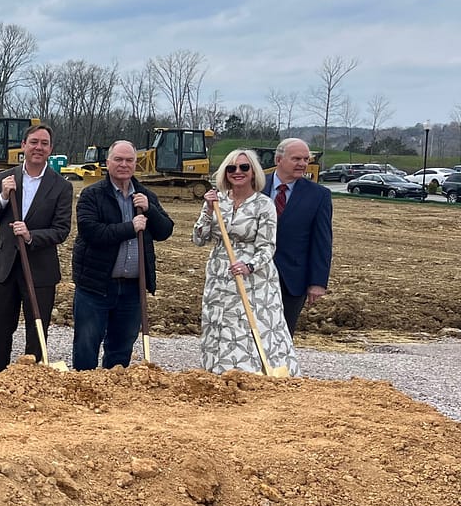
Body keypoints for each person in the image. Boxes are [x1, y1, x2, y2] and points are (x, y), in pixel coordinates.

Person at [192, 148, 299, 375]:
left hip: (254, 278)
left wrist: (248, 266)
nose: (237, 172)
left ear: (253, 172)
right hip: (220, 274)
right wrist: (208, 211)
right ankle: (218, 373)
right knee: (219, 322)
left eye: (244, 167)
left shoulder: (263, 204)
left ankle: (252, 374)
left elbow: (268, 246)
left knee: (247, 326)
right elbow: (199, 239)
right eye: (232, 168)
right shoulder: (217, 200)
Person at [70, 140, 174, 370]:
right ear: (108, 163)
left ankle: (113, 396)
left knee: (121, 348)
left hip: (132, 289)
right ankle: (83, 392)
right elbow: (90, 231)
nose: (124, 165)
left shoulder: (145, 196)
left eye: (129, 160)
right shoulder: (92, 195)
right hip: (95, 285)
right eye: (118, 159)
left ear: (136, 164)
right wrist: (131, 227)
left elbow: (165, 230)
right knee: (87, 344)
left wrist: (151, 210)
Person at [0, 123, 73, 371]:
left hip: (40, 271)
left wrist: (31, 236)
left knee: (37, 332)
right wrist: (2, 198)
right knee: (0, 330)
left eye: (44, 143)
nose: (38, 147)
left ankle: (32, 382)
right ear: (23, 146)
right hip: (5, 269)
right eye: (34, 142)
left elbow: (62, 229)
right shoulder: (4, 179)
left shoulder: (61, 186)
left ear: (50, 149)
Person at [264, 138, 332, 336]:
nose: (303, 164)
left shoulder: (319, 195)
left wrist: (318, 282)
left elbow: (322, 241)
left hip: (292, 280)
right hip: (254, 275)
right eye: (296, 159)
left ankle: (280, 368)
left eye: (305, 159)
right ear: (278, 159)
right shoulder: (254, 187)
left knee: (281, 335)